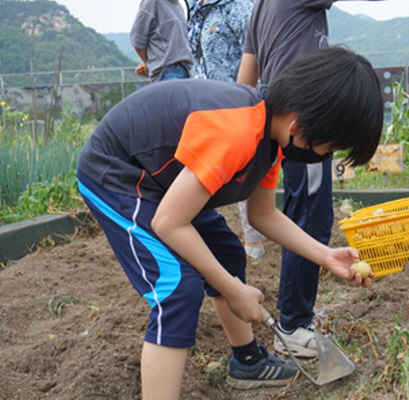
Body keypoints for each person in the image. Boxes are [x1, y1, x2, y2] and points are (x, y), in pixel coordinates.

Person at [76, 46, 383, 398]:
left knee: (226, 254)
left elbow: (262, 214)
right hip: (119, 175)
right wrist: (234, 291)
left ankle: (248, 361)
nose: (325, 157)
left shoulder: (272, 135)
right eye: (329, 148)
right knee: (177, 289)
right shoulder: (238, 129)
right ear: (301, 128)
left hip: (164, 183)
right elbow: (169, 223)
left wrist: (324, 255)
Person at [238, 0, 379, 359]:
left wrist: (246, 122)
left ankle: (293, 321)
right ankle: (295, 325)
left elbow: (246, 73)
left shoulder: (260, 6)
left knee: (298, 212)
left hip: (275, 116)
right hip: (307, 122)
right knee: (311, 217)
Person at [186, 0, 264, 259]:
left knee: (243, 170)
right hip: (208, 104)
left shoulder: (239, 6)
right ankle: (202, 238)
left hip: (238, 104)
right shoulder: (200, 10)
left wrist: (246, 99)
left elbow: (256, 51)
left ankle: (253, 242)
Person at [130, 0, 193, 82]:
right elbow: (137, 37)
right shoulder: (153, 2)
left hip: (185, 71)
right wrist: (148, 63)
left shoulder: (179, 7)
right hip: (167, 72)